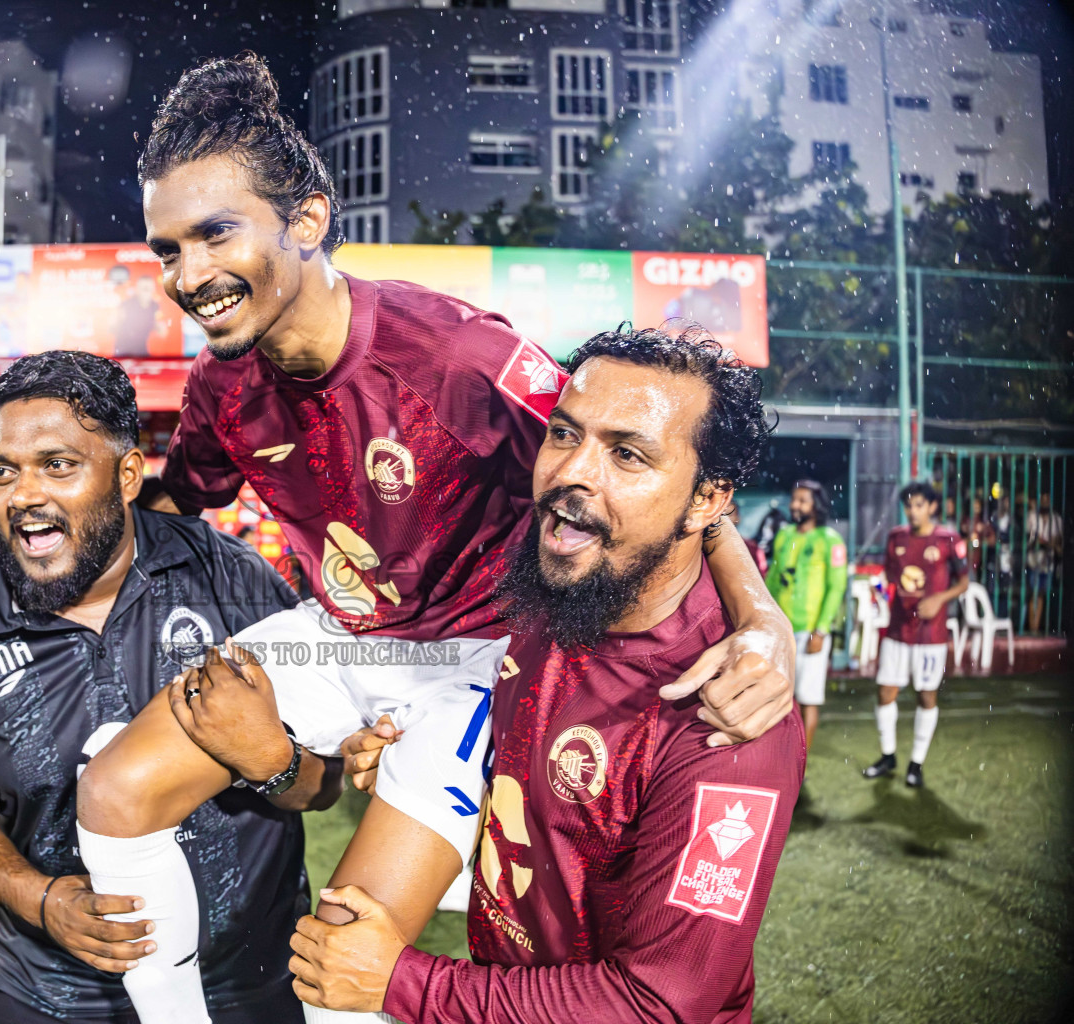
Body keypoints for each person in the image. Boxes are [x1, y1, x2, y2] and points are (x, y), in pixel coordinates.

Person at [0, 53, 794, 1024]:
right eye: (167, 249)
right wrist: (29, 525)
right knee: (114, 790)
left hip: (476, 659)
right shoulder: (224, 390)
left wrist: (758, 613)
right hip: (337, 637)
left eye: (213, 234)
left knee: (342, 967)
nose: (186, 276)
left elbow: (625, 469)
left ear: (306, 220)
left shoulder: (455, 356)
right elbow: (166, 508)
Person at [288, 328, 804, 1021]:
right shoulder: (561, 582)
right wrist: (423, 741)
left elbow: (663, 1001)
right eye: (563, 434)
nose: (571, 473)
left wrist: (404, 983)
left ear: (707, 501)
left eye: (626, 453)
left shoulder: (728, 720)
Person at [0, 352, 365, 1024]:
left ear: (124, 476)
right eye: (4, 472)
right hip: (49, 990)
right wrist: (39, 899)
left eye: (57, 465)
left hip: (245, 987)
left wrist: (272, 762)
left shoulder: (232, 585)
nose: (24, 493)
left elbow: (323, 784)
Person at [864, 482, 970, 788]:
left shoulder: (949, 539)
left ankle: (916, 763)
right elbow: (888, 578)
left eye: (919, 505)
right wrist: (879, 591)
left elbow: (964, 582)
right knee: (885, 691)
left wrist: (939, 599)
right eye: (909, 505)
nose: (913, 511)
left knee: (926, 695)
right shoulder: (896, 537)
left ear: (932, 507)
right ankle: (888, 756)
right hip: (898, 630)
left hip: (930, 635)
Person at [766, 480, 848, 749]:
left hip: (810, 631)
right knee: (778, 696)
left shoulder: (830, 540)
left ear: (817, 505)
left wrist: (821, 630)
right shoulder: (784, 535)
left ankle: (800, 763)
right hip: (780, 631)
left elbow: (836, 589)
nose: (795, 505)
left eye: (802, 500)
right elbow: (773, 580)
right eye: (794, 499)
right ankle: (777, 756)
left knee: (807, 699)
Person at [1024, 492, 1062, 634]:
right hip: (1033, 561)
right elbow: (1032, 538)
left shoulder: (1057, 519)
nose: (1045, 502)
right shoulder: (1032, 516)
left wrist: (1048, 543)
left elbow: (1058, 540)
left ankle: (1036, 627)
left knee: (1041, 594)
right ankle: (1032, 627)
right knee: (1033, 593)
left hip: (1048, 563)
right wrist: (1048, 542)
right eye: (1043, 499)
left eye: (1047, 499)